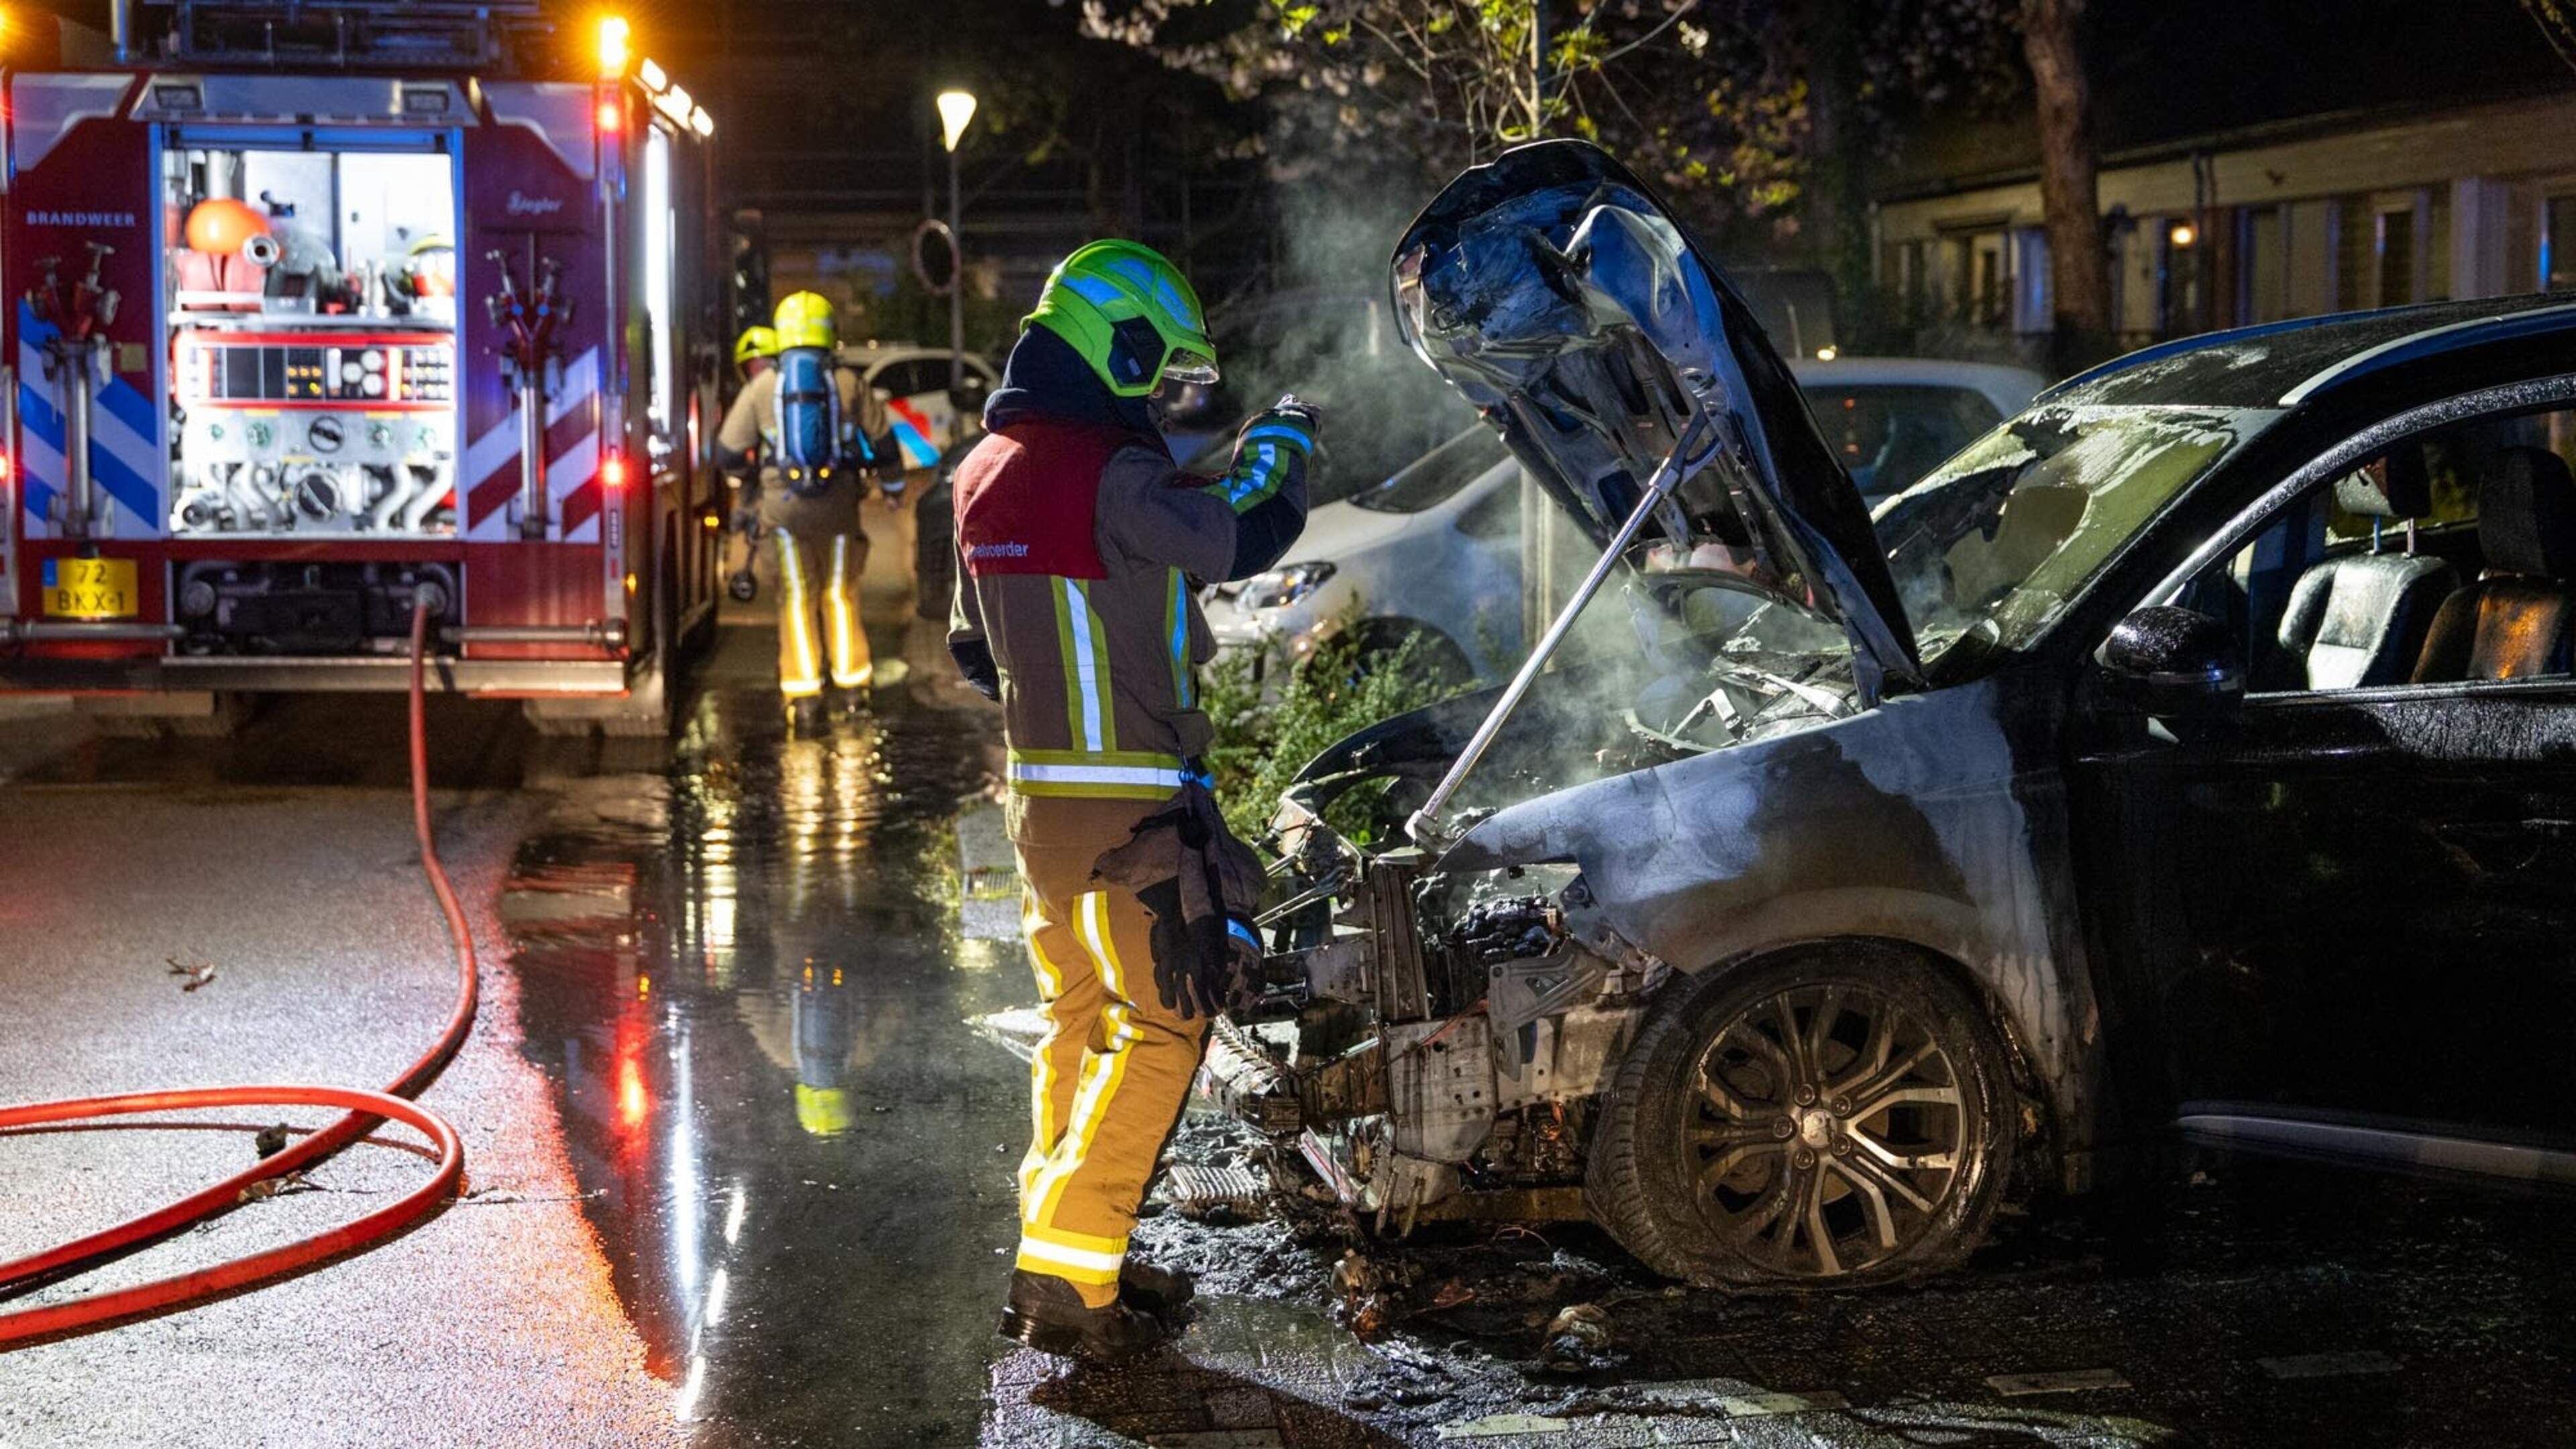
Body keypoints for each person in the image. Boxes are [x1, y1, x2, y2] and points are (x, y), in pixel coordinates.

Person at [948, 239, 1318, 1361]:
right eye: (1156, 372)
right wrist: (1287, 444)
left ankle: (1066, 1253)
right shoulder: (1112, 476)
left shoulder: (980, 471)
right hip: (1133, 813)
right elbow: (1241, 532)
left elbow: (972, 653)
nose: (1159, 396)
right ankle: (1070, 1266)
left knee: (1080, 1021)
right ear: (1119, 345)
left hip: (1039, 811)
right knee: (1164, 1022)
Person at [715, 293, 896, 731]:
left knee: (796, 597)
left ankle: (804, 695)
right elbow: (885, 443)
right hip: (839, 512)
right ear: (830, 333)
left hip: (783, 515)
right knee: (839, 594)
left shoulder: (762, 388)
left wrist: (758, 473)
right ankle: (853, 687)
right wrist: (892, 488)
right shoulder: (850, 383)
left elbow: (726, 453)